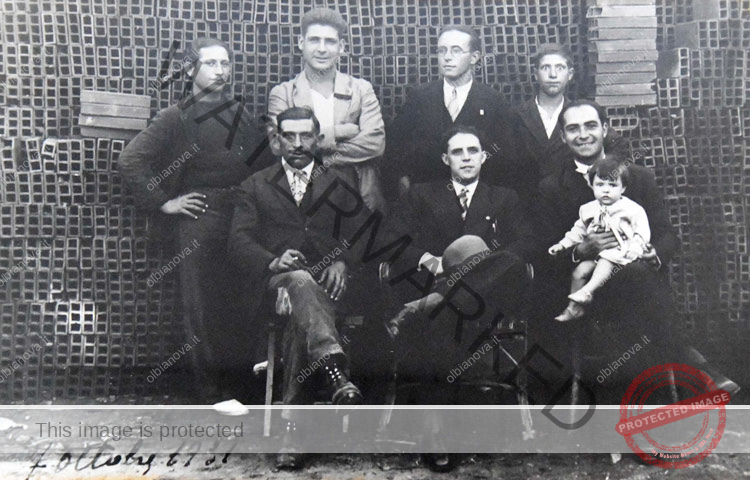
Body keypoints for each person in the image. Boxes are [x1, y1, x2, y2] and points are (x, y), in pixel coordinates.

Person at [536, 99, 738, 398]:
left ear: (605, 129)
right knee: (638, 281)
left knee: (637, 275)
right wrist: (581, 249)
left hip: (638, 281)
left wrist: (654, 253)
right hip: (588, 292)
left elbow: (667, 235)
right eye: (573, 129)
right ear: (563, 136)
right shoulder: (551, 187)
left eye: (591, 126)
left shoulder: (638, 177)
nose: (583, 135)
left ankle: (658, 390)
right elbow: (544, 252)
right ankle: (691, 364)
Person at [118, 37, 266, 403]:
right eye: (211, 63)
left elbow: (260, 163)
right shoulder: (175, 117)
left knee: (241, 298)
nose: (220, 71)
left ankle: (244, 389)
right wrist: (164, 203)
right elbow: (131, 160)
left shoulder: (240, 114)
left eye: (225, 63)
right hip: (201, 216)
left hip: (240, 214)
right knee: (202, 307)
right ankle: (212, 393)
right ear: (190, 71)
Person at [229, 106, 371, 470]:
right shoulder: (255, 184)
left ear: (318, 139)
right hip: (276, 283)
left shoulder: (339, 181)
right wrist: (272, 261)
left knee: (299, 315)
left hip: (328, 286)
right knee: (298, 281)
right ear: (276, 140)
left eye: (305, 135)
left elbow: (362, 234)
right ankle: (333, 368)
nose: (297, 143)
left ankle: (293, 435)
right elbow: (238, 241)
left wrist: (342, 261)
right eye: (288, 136)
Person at [267, 7, 386, 213]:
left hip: (359, 194)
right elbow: (278, 146)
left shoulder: (361, 89)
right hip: (304, 198)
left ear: (341, 47)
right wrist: (341, 131)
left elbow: (375, 144)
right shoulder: (283, 93)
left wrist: (314, 148)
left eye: (330, 41)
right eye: (314, 40)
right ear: (301, 43)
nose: (322, 49)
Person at [385, 25, 515, 198]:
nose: (447, 57)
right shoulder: (419, 97)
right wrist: (403, 179)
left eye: (456, 51)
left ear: (474, 57)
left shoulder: (493, 101)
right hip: (425, 197)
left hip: (477, 198)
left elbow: (503, 152)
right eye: (442, 51)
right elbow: (396, 143)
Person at [548, 156, 651, 321]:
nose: (606, 190)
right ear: (591, 185)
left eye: (613, 185)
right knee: (579, 272)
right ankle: (574, 308)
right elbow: (578, 231)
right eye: (600, 185)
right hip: (597, 255)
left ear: (623, 188)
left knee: (605, 260)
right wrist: (562, 245)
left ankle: (587, 292)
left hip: (622, 252)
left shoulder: (631, 209)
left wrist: (635, 248)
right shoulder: (587, 209)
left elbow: (642, 232)